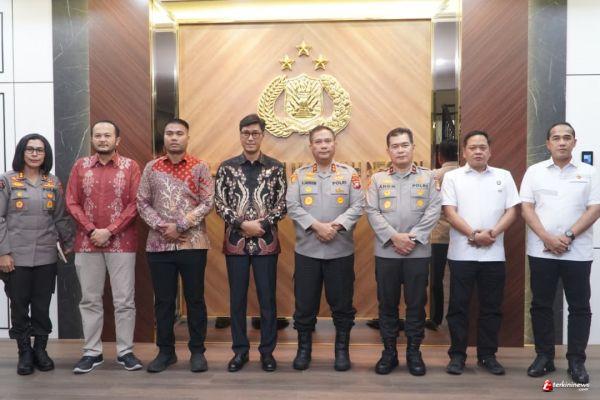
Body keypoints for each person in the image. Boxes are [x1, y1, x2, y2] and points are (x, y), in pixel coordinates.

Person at [520, 122, 600, 384]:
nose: (562, 142)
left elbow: (595, 208)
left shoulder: (589, 172)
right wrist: (546, 237)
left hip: (577, 252)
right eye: (556, 138)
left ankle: (576, 361)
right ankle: (544, 357)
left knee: (579, 307)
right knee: (541, 305)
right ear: (548, 143)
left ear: (575, 142)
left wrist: (567, 236)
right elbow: (526, 208)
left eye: (567, 137)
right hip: (542, 251)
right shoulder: (534, 172)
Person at [137, 118, 214, 373]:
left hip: (193, 244)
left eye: (179, 133)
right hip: (159, 245)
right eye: (169, 133)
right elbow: (142, 202)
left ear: (187, 138)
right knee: (164, 301)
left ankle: (197, 352)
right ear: (164, 137)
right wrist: (163, 227)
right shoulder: (152, 167)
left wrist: (180, 226)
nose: (174, 137)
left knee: (195, 300)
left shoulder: (200, 166)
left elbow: (208, 202)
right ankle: (165, 352)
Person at [66, 120, 142, 374]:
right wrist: (91, 230)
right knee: (89, 299)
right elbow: (71, 202)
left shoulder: (131, 167)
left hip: (123, 243)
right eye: (98, 135)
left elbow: (136, 203)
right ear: (92, 139)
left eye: (107, 135)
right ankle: (92, 352)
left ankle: (125, 351)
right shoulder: (81, 166)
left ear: (117, 140)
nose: (102, 139)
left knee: (124, 300)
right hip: (87, 243)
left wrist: (109, 231)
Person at [441, 130, 520, 376]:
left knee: (491, 308)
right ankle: (457, 356)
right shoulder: (452, 177)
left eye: (482, 147)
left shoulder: (503, 176)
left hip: (494, 255)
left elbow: (512, 211)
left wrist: (492, 233)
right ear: (464, 152)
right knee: (458, 308)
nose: (478, 151)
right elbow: (449, 212)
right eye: (473, 147)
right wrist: (474, 235)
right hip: (461, 254)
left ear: (490, 151)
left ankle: (487, 356)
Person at [287, 125, 364, 372]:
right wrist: (317, 226)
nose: (323, 145)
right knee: (304, 305)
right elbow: (292, 205)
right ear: (311, 146)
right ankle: (304, 350)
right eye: (318, 141)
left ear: (334, 144)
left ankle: (341, 351)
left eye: (327, 141)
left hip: (339, 251)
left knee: (342, 306)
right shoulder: (299, 175)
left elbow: (358, 205)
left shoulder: (349, 174)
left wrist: (336, 226)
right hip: (307, 252)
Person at [214, 114, 286, 372]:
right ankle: (240, 352)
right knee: (237, 301)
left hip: (267, 243)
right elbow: (219, 203)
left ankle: (267, 353)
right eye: (246, 133)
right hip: (236, 243)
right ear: (240, 135)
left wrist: (262, 224)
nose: (251, 137)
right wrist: (242, 224)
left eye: (255, 133)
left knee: (268, 300)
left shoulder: (276, 167)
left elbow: (282, 204)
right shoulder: (227, 168)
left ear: (262, 135)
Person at [366, 127, 441, 375]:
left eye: (404, 145)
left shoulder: (428, 178)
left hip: (417, 253)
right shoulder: (378, 179)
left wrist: (413, 238)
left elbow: (434, 209)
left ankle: (414, 352)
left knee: (416, 305)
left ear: (413, 147)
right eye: (395, 146)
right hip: (387, 253)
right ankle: (389, 352)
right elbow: (372, 211)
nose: (400, 150)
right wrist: (394, 237)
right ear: (388, 151)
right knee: (387, 304)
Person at [0, 134, 73, 375]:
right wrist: (3, 252)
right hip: (15, 256)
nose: (34, 154)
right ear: (22, 152)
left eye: (39, 150)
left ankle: (40, 350)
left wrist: (70, 243)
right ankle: (24, 352)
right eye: (29, 149)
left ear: (45, 154)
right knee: (19, 306)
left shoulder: (53, 182)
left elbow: (60, 217)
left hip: (45, 255)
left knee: (42, 306)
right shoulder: (7, 180)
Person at [429, 139, 459, 329]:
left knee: (436, 279)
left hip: (438, 235)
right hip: (461, 234)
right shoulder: (464, 174)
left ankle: (436, 318)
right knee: (458, 279)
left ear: (440, 157)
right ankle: (455, 317)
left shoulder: (435, 175)